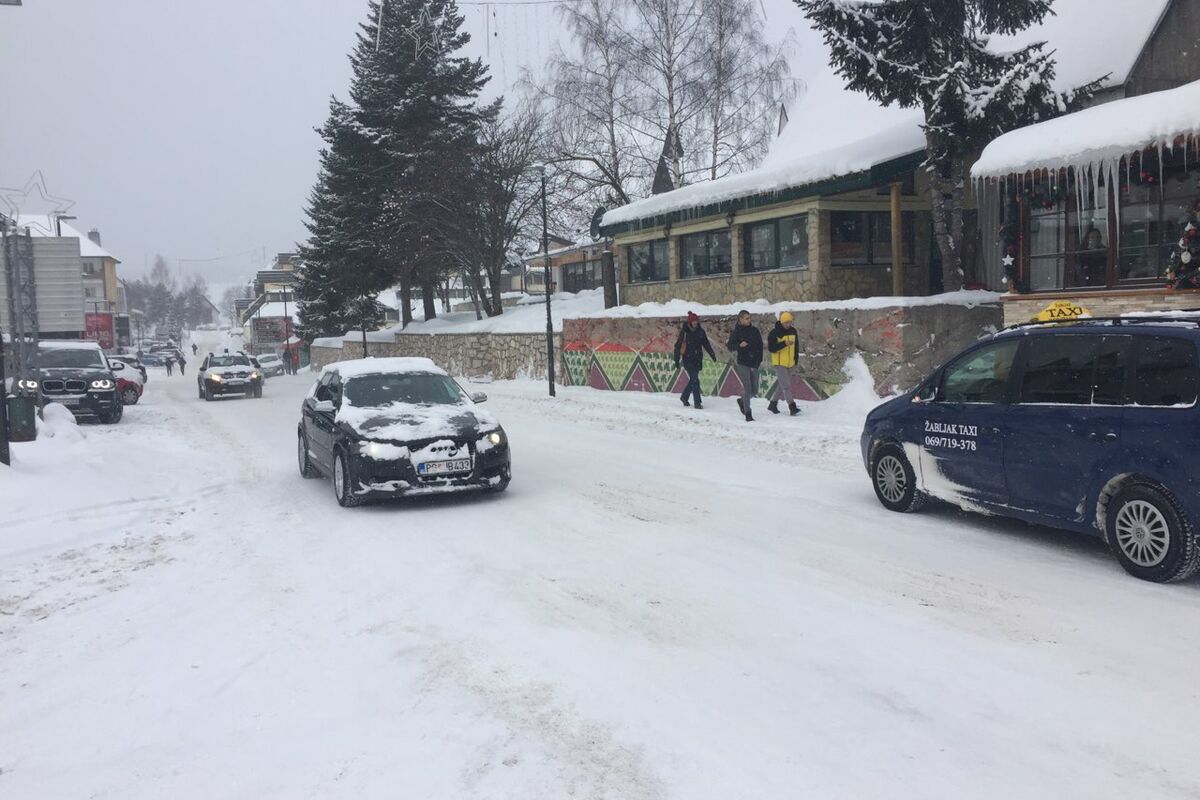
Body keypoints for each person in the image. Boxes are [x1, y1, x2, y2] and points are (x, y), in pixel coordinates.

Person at [672, 311, 717, 409]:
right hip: (688, 359)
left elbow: (706, 344)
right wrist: (676, 360)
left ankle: (684, 397)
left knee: (693, 380)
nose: (695, 322)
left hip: (697, 359)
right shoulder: (685, 332)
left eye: (696, 321)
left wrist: (712, 354)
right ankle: (697, 402)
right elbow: (677, 346)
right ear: (690, 322)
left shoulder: (701, 332)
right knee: (695, 380)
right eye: (693, 321)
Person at [726, 310, 763, 422]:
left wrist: (758, 361)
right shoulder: (736, 332)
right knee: (747, 388)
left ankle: (742, 401)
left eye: (749, 318)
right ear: (740, 319)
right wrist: (739, 345)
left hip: (754, 363)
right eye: (746, 318)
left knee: (754, 391)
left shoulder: (754, 331)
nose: (749, 320)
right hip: (743, 363)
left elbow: (760, 346)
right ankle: (748, 413)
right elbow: (730, 346)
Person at [767, 310, 801, 416]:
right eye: (786, 322)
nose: (788, 324)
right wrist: (784, 344)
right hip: (779, 363)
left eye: (790, 322)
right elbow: (771, 348)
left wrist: (796, 359)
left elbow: (796, 346)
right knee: (786, 385)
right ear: (781, 322)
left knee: (781, 384)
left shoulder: (793, 331)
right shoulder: (774, 333)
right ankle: (792, 406)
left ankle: (773, 404)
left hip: (790, 363)